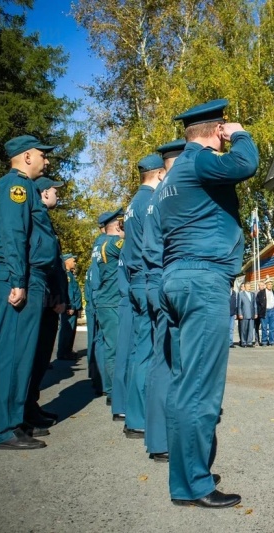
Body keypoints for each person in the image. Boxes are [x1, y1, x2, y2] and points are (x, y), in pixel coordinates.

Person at [159, 98, 258, 508]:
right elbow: (246, 164)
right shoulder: (199, 160)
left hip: (179, 277)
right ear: (216, 130)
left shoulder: (171, 177)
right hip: (202, 281)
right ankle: (194, 484)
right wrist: (240, 134)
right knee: (200, 389)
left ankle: (187, 475)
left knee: (186, 384)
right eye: (224, 129)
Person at [0, 135, 56, 450]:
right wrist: (18, 279)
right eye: (43, 155)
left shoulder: (24, 187)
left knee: (23, 355)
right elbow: (15, 232)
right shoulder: (16, 186)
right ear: (27, 157)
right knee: (12, 355)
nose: (48, 160)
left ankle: (17, 420)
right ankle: (3, 429)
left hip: (29, 275)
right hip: (20, 276)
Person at [142, 138, 185, 462]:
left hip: (155, 281)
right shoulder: (176, 192)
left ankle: (158, 439)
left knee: (161, 361)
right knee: (174, 364)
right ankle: (169, 438)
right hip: (171, 282)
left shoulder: (157, 196)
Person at [121, 153, 165, 439]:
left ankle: (134, 415)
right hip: (148, 279)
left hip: (135, 281)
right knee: (151, 352)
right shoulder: (150, 201)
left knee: (140, 350)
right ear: (160, 174)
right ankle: (143, 418)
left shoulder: (133, 204)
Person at [23, 177, 68, 434]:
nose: (56, 195)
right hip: (41, 295)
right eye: (53, 190)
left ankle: (31, 406)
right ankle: (25, 412)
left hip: (50, 298)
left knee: (41, 357)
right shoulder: (35, 218)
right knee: (32, 357)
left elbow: (55, 266)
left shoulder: (46, 221)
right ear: (42, 193)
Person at [92, 208, 125, 418]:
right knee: (114, 348)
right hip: (111, 302)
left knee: (110, 346)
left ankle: (112, 389)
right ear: (116, 225)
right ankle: (114, 392)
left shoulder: (99, 243)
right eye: (122, 223)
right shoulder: (112, 244)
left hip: (105, 301)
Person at [85, 221, 106, 399]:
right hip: (106, 299)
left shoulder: (97, 247)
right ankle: (104, 383)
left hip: (98, 299)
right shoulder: (107, 243)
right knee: (105, 342)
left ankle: (97, 377)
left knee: (97, 340)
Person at [56, 253, 82, 360]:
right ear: (66, 261)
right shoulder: (66, 275)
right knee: (67, 330)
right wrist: (71, 306)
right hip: (70, 307)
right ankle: (63, 352)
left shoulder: (70, 274)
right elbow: (69, 292)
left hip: (73, 307)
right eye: (73, 260)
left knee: (71, 331)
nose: (74, 263)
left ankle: (67, 350)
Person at [256, 279, 274, 346]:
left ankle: (271, 341)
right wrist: (260, 311)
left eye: (271, 284)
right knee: (264, 327)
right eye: (269, 284)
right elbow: (258, 303)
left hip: (272, 310)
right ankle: (264, 341)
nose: (270, 286)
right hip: (265, 311)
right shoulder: (261, 293)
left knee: (272, 327)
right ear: (266, 285)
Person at [237, 282, 257, 347]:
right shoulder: (241, 294)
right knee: (244, 329)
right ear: (244, 287)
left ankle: (249, 342)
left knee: (251, 329)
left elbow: (255, 305)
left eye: (249, 286)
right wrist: (240, 314)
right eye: (247, 286)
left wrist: (256, 313)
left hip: (251, 314)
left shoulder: (252, 294)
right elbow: (239, 305)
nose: (249, 287)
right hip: (244, 314)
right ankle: (243, 342)